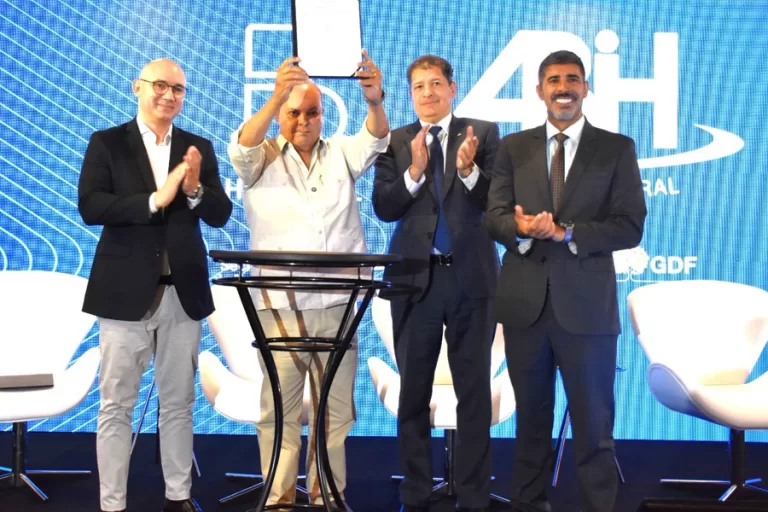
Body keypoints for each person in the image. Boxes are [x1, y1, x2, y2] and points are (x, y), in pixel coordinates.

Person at [484, 50, 647, 512]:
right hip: (526, 308)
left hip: (588, 310)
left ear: (585, 88)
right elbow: (494, 218)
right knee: (530, 427)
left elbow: (630, 226)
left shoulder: (616, 148)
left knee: (594, 427)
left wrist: (566, 232)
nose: (563, 88)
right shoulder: (513, 148)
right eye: (554, 80)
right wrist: (519, 228)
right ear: (539, 90)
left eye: (572, 79)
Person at [226, 50, 389, 508]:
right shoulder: (260, 157)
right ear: (280, 114)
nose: (303, 121)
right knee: (278, 410)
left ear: (323, 115)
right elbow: (240, 148)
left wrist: (374, 101)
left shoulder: (340, 152)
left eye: (312, 112)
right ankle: (278, 500)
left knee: (335, 411)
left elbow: (376, 139)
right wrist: (277, 94)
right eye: (293, 112)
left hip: (338, 305)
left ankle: (326, 497)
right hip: (281, 307)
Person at [78, 58, 233, 512]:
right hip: (123, 294)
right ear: (138, 87)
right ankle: (112, 504)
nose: (169, 95)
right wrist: (154, 199)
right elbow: (91, 206)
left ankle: (178, 496)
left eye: (178, 89)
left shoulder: (197, 147)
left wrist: (193, 190)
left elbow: (221, 214)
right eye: (160, 86)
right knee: (115, 405)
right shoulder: (107, 142)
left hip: (182, 295)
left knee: (179, 402)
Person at [372, 55, 500, 512]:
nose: (427, 93)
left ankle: (474, 495)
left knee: (473, 393)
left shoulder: (483, 134)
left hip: (471, 280)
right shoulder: (395, 141)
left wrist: (468, 171)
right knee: (413, 394)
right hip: (414, 280)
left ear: (452, 87)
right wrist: (413, 173)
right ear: (411, 95)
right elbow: (384, 207)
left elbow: (496, 202)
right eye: (418, 87)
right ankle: (416, 492)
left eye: (435, 84)